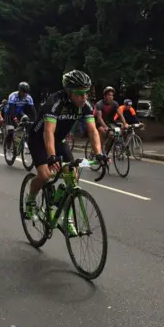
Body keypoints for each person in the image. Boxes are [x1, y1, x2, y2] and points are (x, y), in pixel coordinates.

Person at [24, 70, 106, 236]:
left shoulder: (85, 106)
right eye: (79, 93)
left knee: (72, 175)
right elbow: (48, 131)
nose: (84, 97)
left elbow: (92, 130)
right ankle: (31, 201)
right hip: (39, 140)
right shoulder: (54, 103)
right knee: (46, 174)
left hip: (59, 141)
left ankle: (64, 215)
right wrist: (52, 157)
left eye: (86, 93)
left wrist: (98, 154)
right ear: (69, 91)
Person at [95, 86, 127, 151]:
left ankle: (107, 151)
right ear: (104, 96)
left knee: (117, 133)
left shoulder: (115, 103)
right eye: (109, 95)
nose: (111, 97)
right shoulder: (99, 104)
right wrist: (105, 127)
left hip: (111, 123)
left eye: (112, 95)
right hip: (100, 124)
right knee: (105, 132)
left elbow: (120, 115)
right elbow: (99, 118)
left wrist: (125, 123)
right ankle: (99, 149)